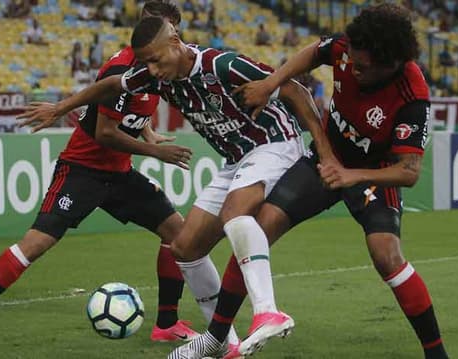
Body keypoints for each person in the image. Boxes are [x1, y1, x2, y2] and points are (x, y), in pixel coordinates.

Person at [17, 14, 327, 359]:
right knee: (185, 247)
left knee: (234, 212)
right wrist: (62, 107)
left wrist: (323, 150)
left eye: (156, 60)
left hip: (274, 142)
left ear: (176, 43)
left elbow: (295, 89)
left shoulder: (221, 64)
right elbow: (111, 85)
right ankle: (222, 342)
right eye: (145, 63)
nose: (151, 70)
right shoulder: (157, 78)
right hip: (237, 157)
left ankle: (268, 311)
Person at [174, 4, 450, 358]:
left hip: (373, 173)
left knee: (387, 255)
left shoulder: (412, 94)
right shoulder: (350, 46)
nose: (353, 68)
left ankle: (436, 352)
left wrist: (351, 175)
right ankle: (215, 336)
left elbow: (409, 171)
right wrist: (272, 82)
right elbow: (312, 53)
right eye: (351, 59)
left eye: (362, 67)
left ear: (390, 63)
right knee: (261, 225)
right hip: (324, 157)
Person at [0, 3, 202, 354]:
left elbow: (134, 107)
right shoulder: (123, 66)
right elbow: (105, 131)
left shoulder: (161, 69)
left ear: (174, 34)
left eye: (163, 29)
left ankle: (166, 324)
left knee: (178, 233)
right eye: (148, 27)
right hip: (82, 171)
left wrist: (149, 134)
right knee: (35, 245)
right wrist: (155, 153)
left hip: (119, 174)